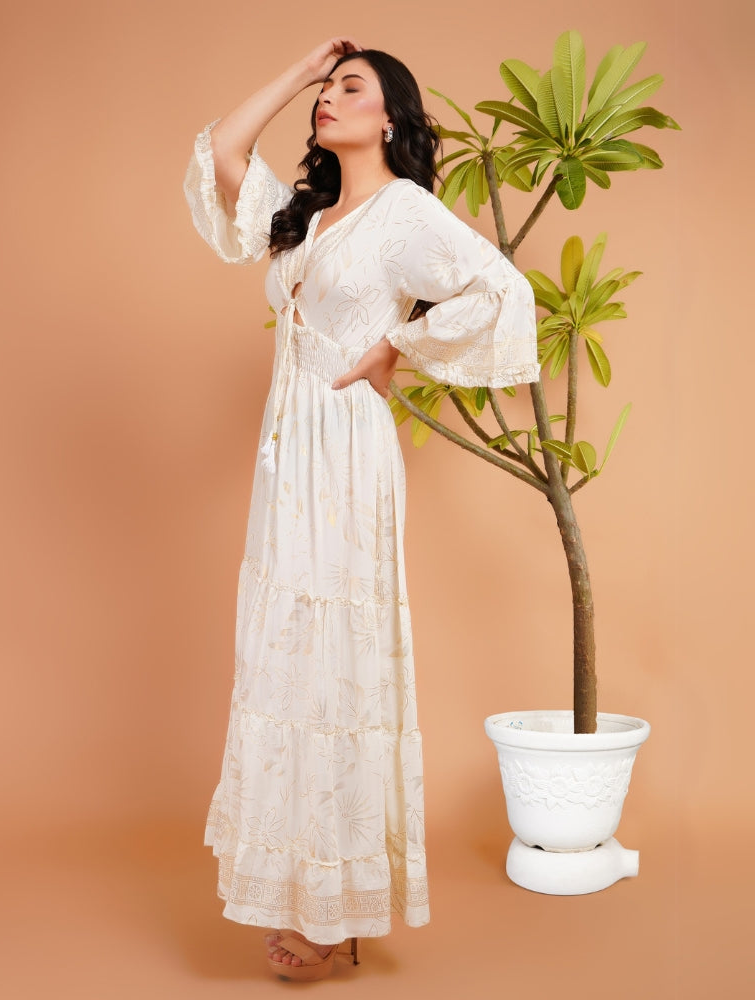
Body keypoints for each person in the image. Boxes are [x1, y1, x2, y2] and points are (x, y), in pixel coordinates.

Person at [184, 36, 539, 982]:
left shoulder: (406, 214)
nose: (330, 99)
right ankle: (307, 895)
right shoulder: (306, 219)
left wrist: (399, 349)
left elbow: (501, 292)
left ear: (390, 120)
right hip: (286, 455)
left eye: (352, 88)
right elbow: (222, 151)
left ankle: (339, 910)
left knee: (339, 661)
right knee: (288, 658)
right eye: (328, 89)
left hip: (345, 450)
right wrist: (300, 69)